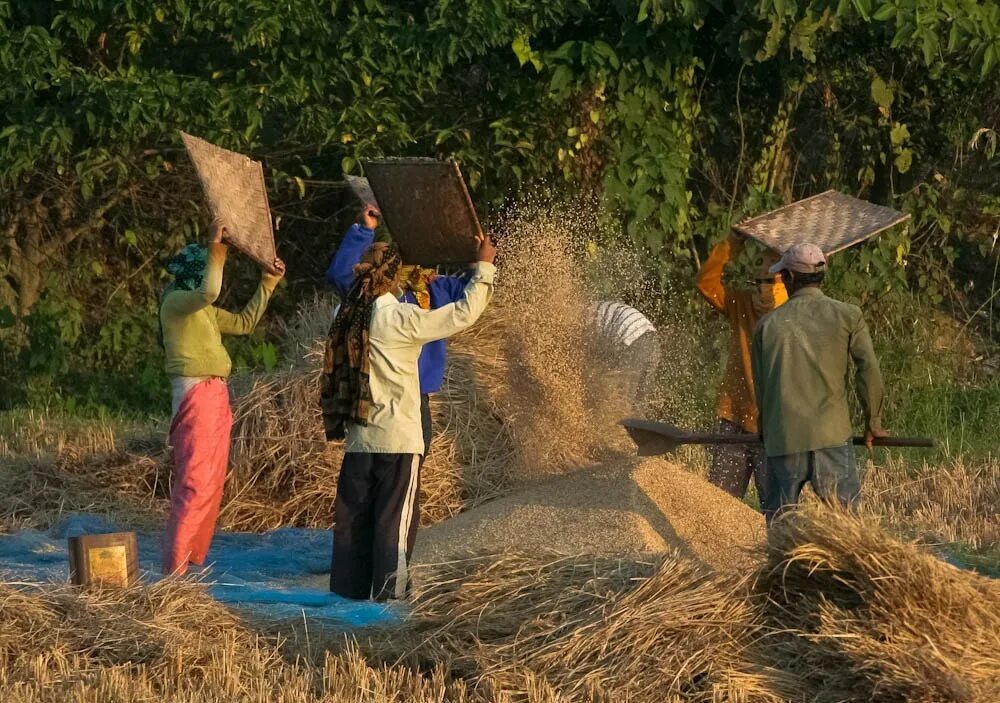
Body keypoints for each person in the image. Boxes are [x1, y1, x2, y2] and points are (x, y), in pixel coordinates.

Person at [321, 235, 496, 601]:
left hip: (359, 438)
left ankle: (345, 603)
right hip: (398, 439)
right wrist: (484, 268)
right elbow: (462, 313)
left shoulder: (346, 314)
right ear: (395, 277)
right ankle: (390, 606)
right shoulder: (401, 318)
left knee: (353, 523)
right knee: (392, 526)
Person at [159, 221, 285, 575]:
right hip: (195, 394)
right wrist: (218, 245)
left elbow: (245, 323)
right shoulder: (176, 304)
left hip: (215, 393)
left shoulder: (204, 311)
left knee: (212, 483)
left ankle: (192, 561)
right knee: (194, 483)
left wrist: (268, 282)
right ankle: (174, 571)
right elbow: (210, 291)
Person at [750, 242, 888, 524]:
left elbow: (762, 390)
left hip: (783, 440)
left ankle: (783, 568)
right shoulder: (849, 315)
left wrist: (765, 430)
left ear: (788, 278)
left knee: (781, 529)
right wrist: (873, 421)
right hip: (831, 437)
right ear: (820, 276)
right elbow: (868, 370)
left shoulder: (766, 326)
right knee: (848, 527)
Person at [326, 204, 471, 458]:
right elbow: (341, 275)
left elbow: (474, 290)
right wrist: (364, 230)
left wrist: (473, 251)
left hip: (414, 398)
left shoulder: (433, 288)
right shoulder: (374, 288)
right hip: (374, 393)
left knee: (413, 463)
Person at [695, 231, 788, 505]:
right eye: (758, 281)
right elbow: (706, 283)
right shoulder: (742, 304)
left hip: (775, 426)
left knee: (776, 509)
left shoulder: (797, 313)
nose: (764, 288)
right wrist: (732, 244)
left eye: (771, 281)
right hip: (734, 418)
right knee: (718, 506)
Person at [589, 301, 660, 414]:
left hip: (633, 340)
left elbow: (596, 353)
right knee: (639, 403)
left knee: (620, 398)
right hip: (653, 342)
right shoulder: (605, 308)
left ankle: (613, 429)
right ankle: (637, 430)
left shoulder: (589, 315)